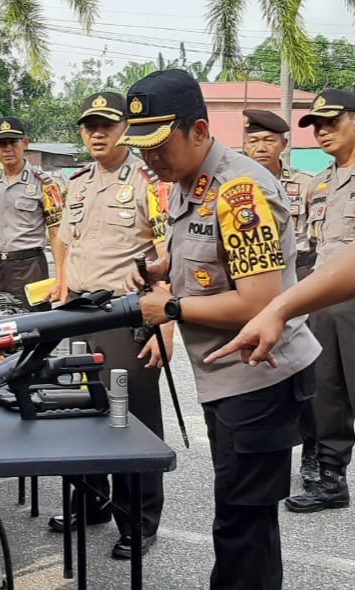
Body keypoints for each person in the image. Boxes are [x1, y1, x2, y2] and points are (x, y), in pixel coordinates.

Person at [121, 69, 320, 590]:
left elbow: (260, 301)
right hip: (230, 376)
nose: (150, 158)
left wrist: (171, 308)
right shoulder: (191, 182)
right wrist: (167, 268)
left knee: (241, 520)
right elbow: (212, 256)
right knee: (242, 514)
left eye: (161, 145)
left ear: (201, 131)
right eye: (142, 148)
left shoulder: (240, 190)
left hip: (258, 377)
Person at [213, 90, 355, 515]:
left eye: (332, 122)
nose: (323, 131)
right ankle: (331, 476)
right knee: (325, 392)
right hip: (322, 296)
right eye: (317, 125)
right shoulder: (325, 182)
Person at [46, 91, 171, 560]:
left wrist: (168, 328)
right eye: (89, 125)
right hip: (77, 312)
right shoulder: (75, 183)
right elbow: (62, 240)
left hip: (126, 314)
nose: (97, 133)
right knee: (81, 411)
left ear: (125, 129)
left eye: (106, 125)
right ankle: (92, 502)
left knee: (131, 418)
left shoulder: (146, 181)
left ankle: (138, 520)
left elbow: (167, 253)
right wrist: (62, 280)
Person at [242, 108, 319, 488]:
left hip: (301, 279)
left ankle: (312, 456)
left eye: (268, 140)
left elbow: (315, 235)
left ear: (284, 145)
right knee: (259, 373)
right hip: (252, 286)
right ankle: (262, 455)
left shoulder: (304, 184)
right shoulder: (235, 184)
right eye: (253, 140)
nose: (260, 147)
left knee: (304, 375)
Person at [0, 116, 64, 311]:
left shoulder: (46, 184)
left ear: (25, 143)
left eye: (12, 142)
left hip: (29, 268)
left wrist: (61, 278)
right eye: (1, 143)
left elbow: (57, 233)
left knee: (32, 327)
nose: (7, 149)